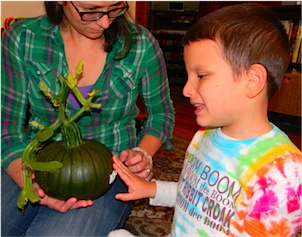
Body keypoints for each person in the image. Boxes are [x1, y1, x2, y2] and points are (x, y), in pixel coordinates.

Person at [109, 3, 302, 237]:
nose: (187, 89)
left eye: (201, 76)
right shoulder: (205, 135)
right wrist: (151, 189)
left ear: (252, 80)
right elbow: (195, 197)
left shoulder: (282, 173)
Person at [1, 1, 175, 236]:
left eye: (115, 7)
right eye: (91, 10)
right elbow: (6, 126)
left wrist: (142, 153)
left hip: (108, 174)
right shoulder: (23, 38)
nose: (105, 22)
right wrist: (28, 183)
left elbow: (161, 114)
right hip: (33, 163)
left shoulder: (141, 44)